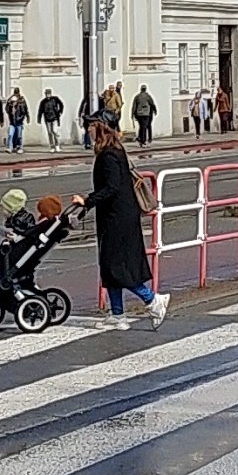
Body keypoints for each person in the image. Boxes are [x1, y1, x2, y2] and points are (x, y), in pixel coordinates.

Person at [70, 118, 169, 331]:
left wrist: (86, 201)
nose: (88, 130)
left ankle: (152, 300)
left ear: (100, 128)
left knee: (117, 266)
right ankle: (117, 314)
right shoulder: (116, 150)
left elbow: (112, 188)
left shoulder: (108, 156)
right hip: (117, 215)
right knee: (110, 264)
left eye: (90, 126)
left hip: (118, 217)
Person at [6, 88, 30, 153]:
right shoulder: (10, 102)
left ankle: (20, 147)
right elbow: (7, 109)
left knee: (19, 136)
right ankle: (9, 147)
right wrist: (10, 101)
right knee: (10, 135)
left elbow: (25, 110)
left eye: (17, 93)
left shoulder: (22, 100)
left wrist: (26, 118)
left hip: (19, 122)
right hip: (12, 122)